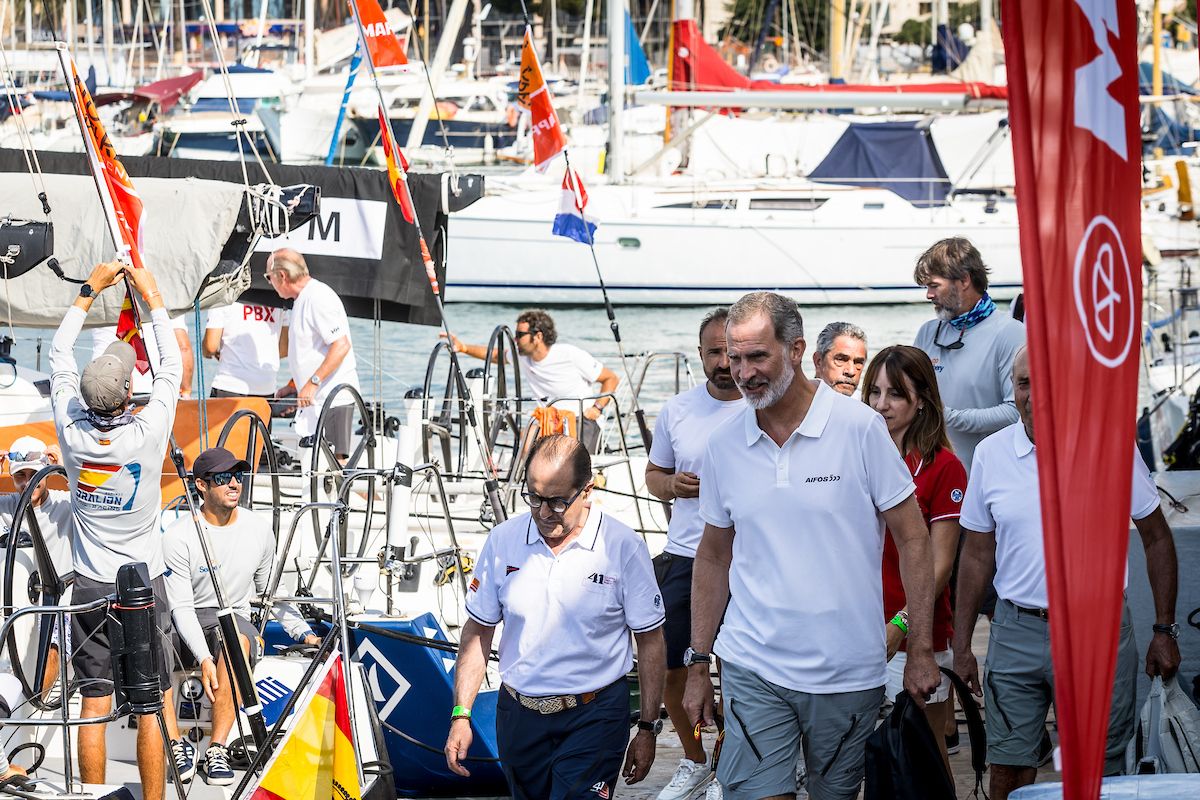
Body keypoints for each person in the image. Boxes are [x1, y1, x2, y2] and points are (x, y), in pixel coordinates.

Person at [684, 291, 941, 800]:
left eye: (758, 356)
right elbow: (713, 555)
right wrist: (698, 662)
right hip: (752, 663)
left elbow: (914, 538)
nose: (744, 372)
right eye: (735, 358)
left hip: (847, 670)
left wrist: (921, 648)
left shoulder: (861, 429)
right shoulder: (722, 444)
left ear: (797, 349)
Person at [953, 347, 1182, 800]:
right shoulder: (990, 454)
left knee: (1101, 768)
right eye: (1024, 384)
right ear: (1012, 391)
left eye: (1048, 384)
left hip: (1097, 631)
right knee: (1008, 766)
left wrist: (1164, 629)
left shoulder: (1111, 446)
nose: (1035, 396)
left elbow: (1157, 537)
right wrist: (961, 647)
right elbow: (977, 554)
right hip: (1016, 628)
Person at [444, 435, 666, 798]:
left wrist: (646, 728)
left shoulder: (624, 546)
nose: (545, 513)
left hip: (593, 717)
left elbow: (651, 640)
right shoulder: (503, 540)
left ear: (588, 490)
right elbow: (478, 631)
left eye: (559, 502)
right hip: (518, 717)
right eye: (534, 498)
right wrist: (461, 715)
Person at [50, 260, 181, 800]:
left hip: (89, 586)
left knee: (94, 703)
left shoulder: (69, 429)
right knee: (149, 705)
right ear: (131, 395)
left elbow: (58, 355)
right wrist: (148, 291)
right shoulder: (148, 432)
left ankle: (92, 797)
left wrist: (89, 291)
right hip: (140, 587)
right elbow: (171, 360)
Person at [161, 447, 320, 785]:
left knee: (239, 640)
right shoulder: (178, 536)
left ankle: (216, 749)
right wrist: (203, 658)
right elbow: (181, 609)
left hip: (232, 617)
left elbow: (270, 594)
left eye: (238, 476)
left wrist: (303, 634)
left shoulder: (259, 530)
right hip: (186, 618)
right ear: (202, 486)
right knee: (150, 643)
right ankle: (175, 744)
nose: (234, 483)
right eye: (222, 477)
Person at [644, 307, 743, 800]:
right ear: (700, 355)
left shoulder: (763, 406)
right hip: (685, 553)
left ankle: (735, 765)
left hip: (750, 558)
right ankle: (696, 758)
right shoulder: (677, 411)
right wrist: (673, 486)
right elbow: (654, 476)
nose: (724, 362)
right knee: (670, 667)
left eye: (732, 351)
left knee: (742, 668)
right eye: (714, 352)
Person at [862, 345, 967, 778]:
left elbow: (941, 565)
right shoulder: (857, 455)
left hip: (917, 632)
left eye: (896, 394)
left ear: (922, 398)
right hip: (858, 626)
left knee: (925, 754)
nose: (881, 405)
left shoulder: (946, 468)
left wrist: (901, 625)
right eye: (874, 392)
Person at [912, 237, 1026, 472]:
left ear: (964, 280)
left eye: (934, 285)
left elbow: (1016, 411)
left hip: (989, 473)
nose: (928, 295)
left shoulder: (1010, 333)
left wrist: (947, 417)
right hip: (933, 474)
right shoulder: (927, 332)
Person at [444, 310, 619, 452]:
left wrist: (597, 408)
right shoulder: (523, 357)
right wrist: (463, 348)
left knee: (570, 463)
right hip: (548, 421)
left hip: (581, 419)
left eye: (520, 335)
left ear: (538, 337)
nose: (515, 340)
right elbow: (496, 355)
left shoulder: (569, 354)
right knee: (527, 443)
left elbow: (611, 378)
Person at [265, 249, 360, 458]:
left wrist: (312, 382)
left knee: (337, 467)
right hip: (317, 398)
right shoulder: (302, 299)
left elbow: (341, 345)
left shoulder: (318, 297)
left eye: (268, 277)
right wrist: (293, 385)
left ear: (281, 275)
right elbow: (312, 351)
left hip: (333, 397)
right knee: (320, 466)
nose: (269, 283)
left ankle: (371, 493)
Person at [0, 438, 74, 694]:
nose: (28, 482)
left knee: (54, 639)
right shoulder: (4, 506)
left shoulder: (66, 504)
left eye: (34, 474)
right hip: (11, 601)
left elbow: (97, 507)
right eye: (21, 475)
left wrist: (67, 469)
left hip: (57, 604)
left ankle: (30, 703)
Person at [92, 315, 194, 399]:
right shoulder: (166, 296)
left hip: (104, 387)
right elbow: (183, 348)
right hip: (159, 388)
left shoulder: (97, 293)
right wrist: (185, 391)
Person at [202, 302, 288, 398]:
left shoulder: (223, 295)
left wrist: (209, 352)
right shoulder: (278, 296)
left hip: (230, 385)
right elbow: (284, 349)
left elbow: (210, 347)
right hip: (266, 387)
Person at [812, 322, 868, 397]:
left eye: (858, 362)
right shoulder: (794, 403)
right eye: (841, 360)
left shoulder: (867, 405)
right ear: (818, 362)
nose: (851, 371)